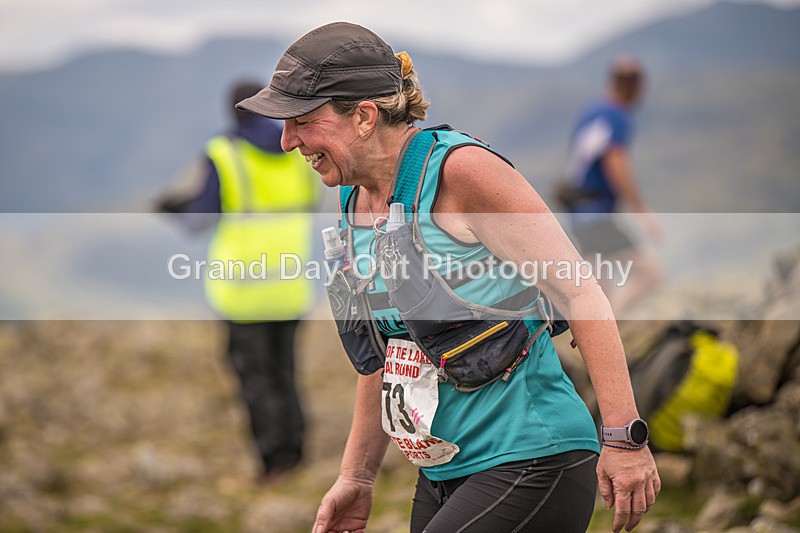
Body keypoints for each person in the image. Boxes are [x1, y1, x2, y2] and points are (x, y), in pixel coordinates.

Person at [236, 22, 660, 532]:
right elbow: (386, 352)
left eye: (301, 120)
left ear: (364, 116)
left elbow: (580, 290)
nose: (286, 142)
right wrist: (359, 476)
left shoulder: (462, 174)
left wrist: (624, 440)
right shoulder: (354, 198)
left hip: (532, 457)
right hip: (444, 472)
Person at [158, 80, 319, 482]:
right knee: (285, 373)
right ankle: (296, 455)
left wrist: (172, 208)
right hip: (291, 287)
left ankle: (275, 463)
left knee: (256, 379)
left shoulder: (224, 153)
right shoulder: (299, 149)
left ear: (232, 112)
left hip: (243, 294)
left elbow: (200, 220)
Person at [559, 56, 662, 315]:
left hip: (578, 211)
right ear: (635, 87)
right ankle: (612, 329)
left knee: (601, 287)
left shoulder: (592, 113)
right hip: (595, 212)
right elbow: (616, 164)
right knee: (650, 274)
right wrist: (642, 211)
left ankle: (603, 336)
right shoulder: (617, 116)